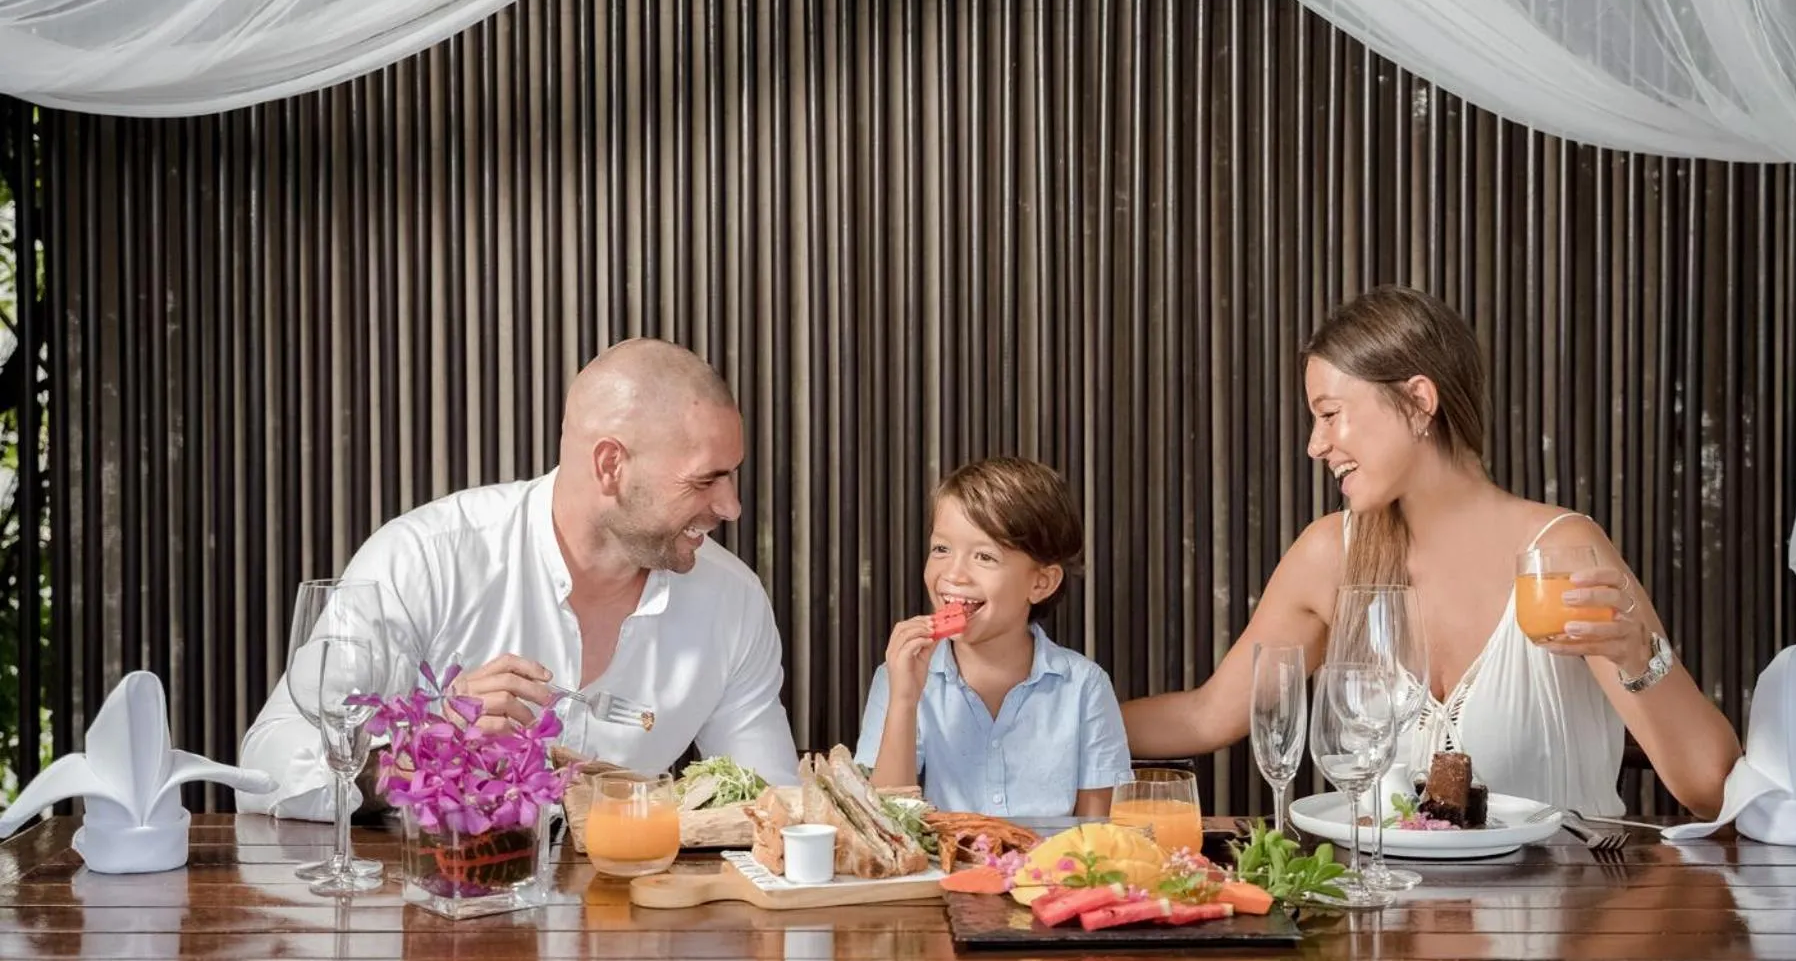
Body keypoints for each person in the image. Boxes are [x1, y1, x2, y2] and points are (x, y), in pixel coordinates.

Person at [1121, 287, 1741, 819]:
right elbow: (1205, 717)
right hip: (1386, 937)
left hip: (1559, 938)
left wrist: (1639, 656)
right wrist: (1040, 709)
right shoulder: (1330, 556)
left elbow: (1713, 792)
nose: (1316, 445)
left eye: (1331, 414)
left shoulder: (1561, 553)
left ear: (1419, 400)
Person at [239, 339, 801, 819]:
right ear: (610, 465)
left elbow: (772, 805)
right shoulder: (427, 558)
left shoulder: (734, 601)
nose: (731, 507)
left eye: (732, 476)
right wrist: (424, 754)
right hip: (437, 923)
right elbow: (267, 762)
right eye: (706, 481)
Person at [855, 457, 1132, 818]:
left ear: (1041, 582)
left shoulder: (1085, 687)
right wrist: (904, 701)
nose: (953, 574)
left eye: (984, 556)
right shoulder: (898, 678)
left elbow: (1096, 835)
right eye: (941, 549)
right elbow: (885, 826)